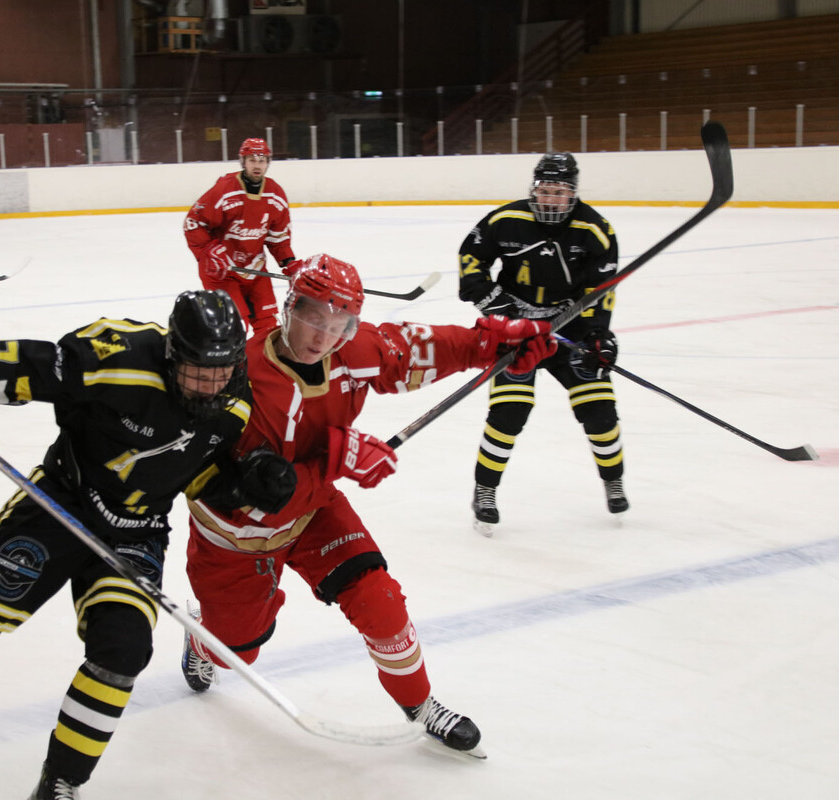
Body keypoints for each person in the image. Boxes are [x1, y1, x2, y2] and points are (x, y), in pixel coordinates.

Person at [0, 290, 298, 799]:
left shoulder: (235, 401)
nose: (209, 388)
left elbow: (197, 472)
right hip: (58, 507)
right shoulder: (120, 355)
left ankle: (61, 781)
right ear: (173, 354)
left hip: (137, 531)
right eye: (196, 373)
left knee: (123, 652)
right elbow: (35, 366)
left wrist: (243, 484)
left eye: (221, 373)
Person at [179, 254, 557, 758]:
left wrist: (493, 343)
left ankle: (420, 706)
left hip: (313, 512)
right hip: (236, 535)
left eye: (340, 325)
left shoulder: (350, 354)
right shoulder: (240, 381)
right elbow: (246, 496)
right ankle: (205, 641)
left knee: (381, 602)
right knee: (236, 651)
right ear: (290, 307)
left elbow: (415, 349)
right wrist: (338, 458)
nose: (324, 338)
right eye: (314, 319)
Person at [457, 152, 626, 536]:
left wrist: (598, 335)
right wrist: (497, 305)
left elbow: (601, 290)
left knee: (599, 410)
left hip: (570, 330)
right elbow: (471, 258)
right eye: (545, 190)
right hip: (518, 331)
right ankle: (485, 491)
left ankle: (613, 481)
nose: (551, 199)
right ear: (534, 190)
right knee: (509, 412)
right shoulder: (506, 220)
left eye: (559, 192)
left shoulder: (595, 230)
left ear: (573, 194)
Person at [184, 137, 297, 336]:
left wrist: (289, 263)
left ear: (268, 163)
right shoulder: (225, 190)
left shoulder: (275, 194)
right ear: (243, 162)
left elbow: (278, 238)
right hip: (222, 271)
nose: (257, 165)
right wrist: (209, 252)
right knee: (235, 327)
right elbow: (193, 223)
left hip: (255, 270)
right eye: (252, 160)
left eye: (262, 161)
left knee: (268, 328)